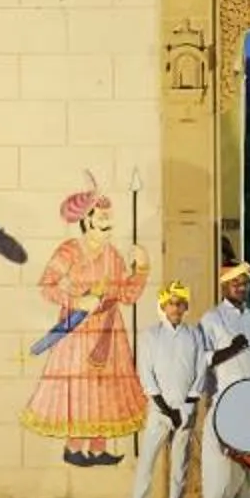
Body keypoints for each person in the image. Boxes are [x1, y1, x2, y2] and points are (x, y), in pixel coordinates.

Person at [20, 186, 150, 466]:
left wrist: (141, 270)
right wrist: (77, 301)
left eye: (109, 217)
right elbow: (46, 286)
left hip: (109, 333)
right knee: (80, 388)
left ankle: (98, 448)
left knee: (105, 389)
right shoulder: (70, 251)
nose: (107, 222)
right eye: (101, 217)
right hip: (77, 334)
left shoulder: (113, 255)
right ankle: (75, 448)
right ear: (86, 220)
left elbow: (126, 296)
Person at [125, 282, 209, 498]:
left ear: (185, 307)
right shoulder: (151, 336)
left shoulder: (194, 334)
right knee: (147, 461)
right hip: (159, 410)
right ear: (163, 305)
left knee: (180, 462)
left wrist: (188, 405)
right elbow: (146, 374)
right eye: (171, 303)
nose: (176, 308)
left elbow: (200, 371)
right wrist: (164, 408)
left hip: (185, 409)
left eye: (180, 303)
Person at [197, 261, 250, 498]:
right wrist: (231, 349)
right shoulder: (211, 319)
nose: (241, 287)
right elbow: (201, 359)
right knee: (222, 461)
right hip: (227, 396)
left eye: (245, 283)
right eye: (235, 283)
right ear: (224, 286)